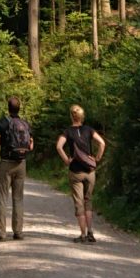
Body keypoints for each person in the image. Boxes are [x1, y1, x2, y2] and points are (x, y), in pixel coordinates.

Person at [56, 103, 105, 242]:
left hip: (76, 171)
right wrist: (96, 158)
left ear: (71, 116)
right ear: (82, 116)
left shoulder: (67, 131)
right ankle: (90, 233)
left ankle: (82, 235)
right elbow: (102, 143)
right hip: (90, 171)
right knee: (88, 201)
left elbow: (59, 146)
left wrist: (67, 160)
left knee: (79, 203)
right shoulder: (89, 130)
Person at [0, 94, 34, 240]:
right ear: (19, 108)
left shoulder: (3, 123)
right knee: (18, 199)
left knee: (3, 197)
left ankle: (1, 233)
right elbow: (31, 145)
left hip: (6, 163)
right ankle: (18, 232)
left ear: (8, 107)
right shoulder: (25, 123)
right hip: (21, 163)